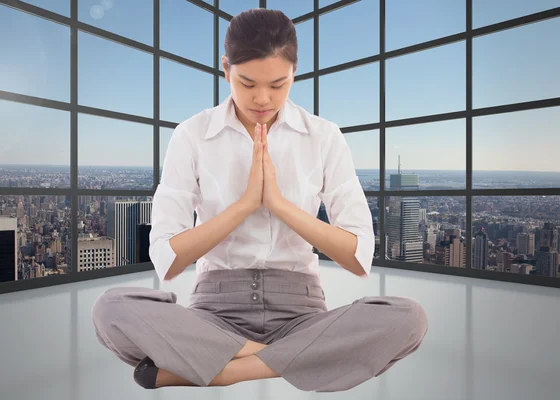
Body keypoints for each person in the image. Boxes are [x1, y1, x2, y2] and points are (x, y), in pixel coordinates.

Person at [91, 8, 428, 393]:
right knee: (111, 309)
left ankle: (225, 366)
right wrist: (246, 204)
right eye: (247, 83)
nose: (263, 99)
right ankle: (288, 357)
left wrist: (280, 205)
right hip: (214, 311)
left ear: (294, 74)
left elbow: (357, 255)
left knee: (408, 318)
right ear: (225, 69)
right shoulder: (192, 135)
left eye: (278, 84)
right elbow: (167, 260)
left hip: (301, 310)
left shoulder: (323, 137)